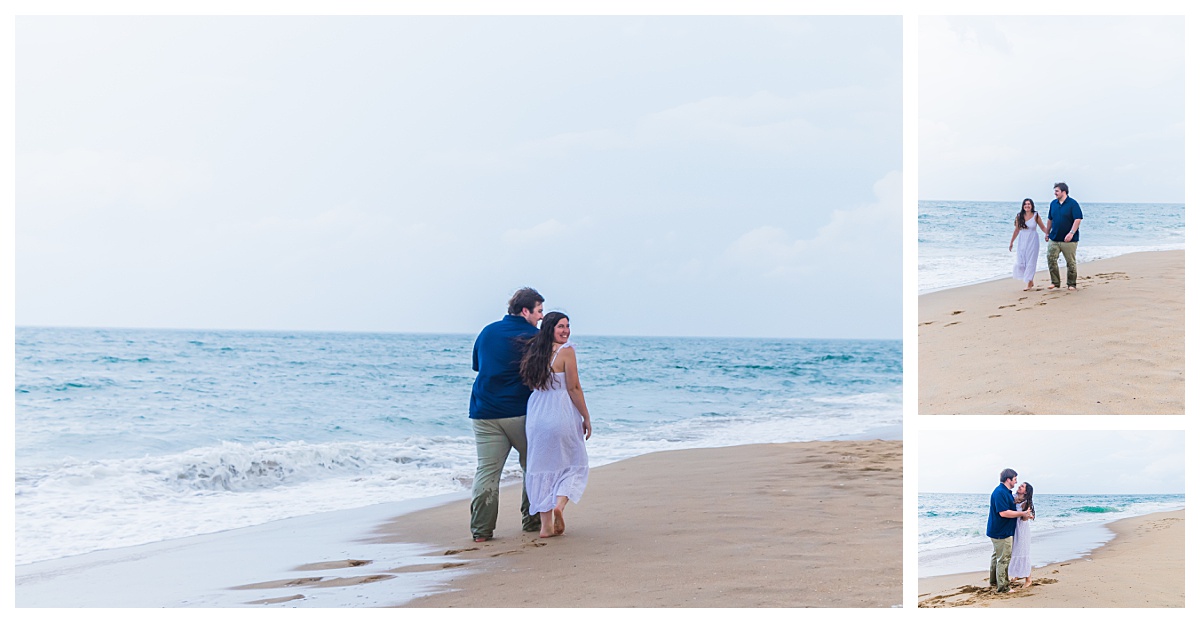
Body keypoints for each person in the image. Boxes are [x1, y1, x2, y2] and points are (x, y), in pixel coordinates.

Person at [468, 287, 545, 542]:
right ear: (525, 311)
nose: (541, 317)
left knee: (487, 471)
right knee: (532, 467)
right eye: (539, 311)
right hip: (521, 413)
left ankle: (481, 531)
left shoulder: (488, 331)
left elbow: (477, 366)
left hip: (484, 411)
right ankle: (531, 521)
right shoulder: (536, 337)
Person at [519, 311, 593, 539]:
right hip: (560, 413)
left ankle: (546, 527)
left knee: (542, 467)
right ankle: (560, 503)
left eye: (568, 326)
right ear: (550, 328)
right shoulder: (566, 351)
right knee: (574, 463)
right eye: (561, 326)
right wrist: (586, 417)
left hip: (537, 414)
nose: (566, 331)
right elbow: (573, 388)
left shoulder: (534, 351)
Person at [985, 468, 1033, 594]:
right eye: (1015, 479)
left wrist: (1026, 514)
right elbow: (1003, 513)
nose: (1016, 482)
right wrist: (1022, 513)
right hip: (1001, 531)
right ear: (1008, 479)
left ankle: (994, 581)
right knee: (1003, 559)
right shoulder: (1000, 492)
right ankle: (1003, 587)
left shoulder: (1006, 492)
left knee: (997, 556)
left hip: (1001, 530)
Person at [1044, 182, 1084, 290]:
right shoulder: (1053, 204)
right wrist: (1047, 233)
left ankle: (1071, 284)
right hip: (1054, 238)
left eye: (1057, 191)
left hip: (1069, 240)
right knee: (1051, 258)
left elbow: (1078, 219)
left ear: (1064, 192)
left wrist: (1071, 233)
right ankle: (1055, 282)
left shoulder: (1073, 204)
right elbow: (1050, 219)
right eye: (1055, 191)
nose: (1055, 193)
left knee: (1070, 262)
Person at [1009, 198, 1049, 291]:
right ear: (1023, 206)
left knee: (1031, 261)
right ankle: (1030, 280)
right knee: (1021, 262)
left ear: (1032, 206)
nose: (1027, 206)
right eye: (1025, 204)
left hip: (1033, 240)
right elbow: (1016, 230)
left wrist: (1048, 234)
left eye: (1029, 204)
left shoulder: (1036, 215)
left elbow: (1042, 227)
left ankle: (1028, 282)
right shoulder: (1019, 216)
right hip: (1022, 240)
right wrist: (1011, 242)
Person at [1008, 482, 1036, 589]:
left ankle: (1028, 579)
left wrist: (1027, 515)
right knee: (1014, 551)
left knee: (1022, 552)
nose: (1019, 486)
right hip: (1013, 528)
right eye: (1020, 485)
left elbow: (1024, 519)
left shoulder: (1025, 503)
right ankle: (1016, 574)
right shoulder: (1013, 497)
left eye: (1022, 486)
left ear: (1026, 491)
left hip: (1021, 530)